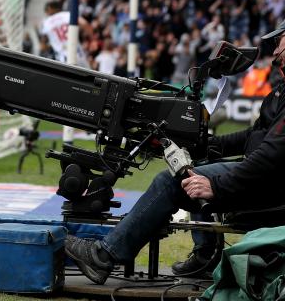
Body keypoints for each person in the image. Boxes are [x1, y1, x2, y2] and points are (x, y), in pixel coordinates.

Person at [65, 31, 285, 285]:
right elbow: (255, 135)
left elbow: (271, 157)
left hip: (269, 187)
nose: (275, 49)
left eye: (280, 43)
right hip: (263, 178)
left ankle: (104, 256)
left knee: (171, 181)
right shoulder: (280, 90)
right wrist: (209, 145)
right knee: (192, 167)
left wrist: (216, 185)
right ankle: (206, 254)